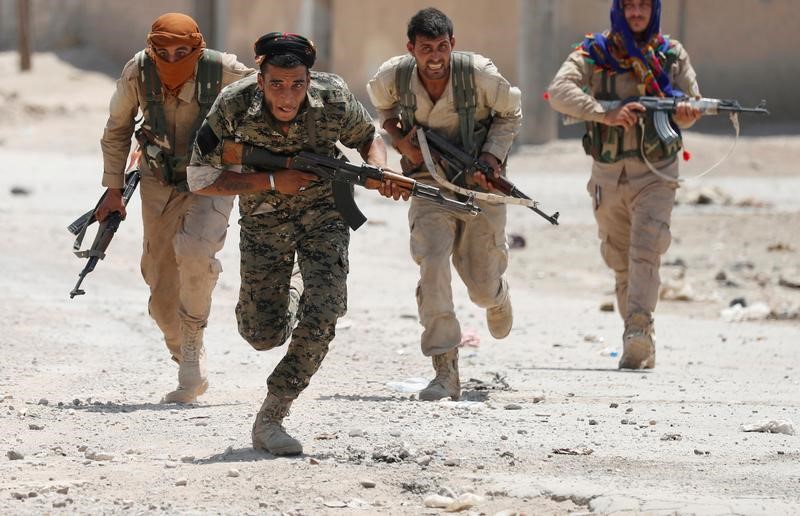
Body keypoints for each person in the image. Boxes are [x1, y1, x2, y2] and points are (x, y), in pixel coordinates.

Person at [186, 32, 389, 455]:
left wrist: (378, 169)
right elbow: (200, 177)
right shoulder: (234, 104)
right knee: (261, 335)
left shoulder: (332, 97)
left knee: (326, 309)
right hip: (263, 217)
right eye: (276, 84)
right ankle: (292, 290)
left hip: (325, 214)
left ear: (309, 78)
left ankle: (273, 415)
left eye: (297, 83)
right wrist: (274, 180)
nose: (287, 95)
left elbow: (369, 136)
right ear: (260, 80)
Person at [96, 13, 254, 403]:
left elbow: (273, 95)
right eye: (162, 50)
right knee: (160, 290)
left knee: (197, 252)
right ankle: (187, 352)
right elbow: (116, 129)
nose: (171, 59)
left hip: (212, 179)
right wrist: (113, 189)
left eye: (182, 51)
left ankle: (191, 356)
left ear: (197, 48)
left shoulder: (221, 69)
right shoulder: (139, 71)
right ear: (151, 48)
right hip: (158, 181)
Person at [367, 7, 522, 401]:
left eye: (441, 48)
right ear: (411, 49)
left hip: (477, 186)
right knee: (432, 263)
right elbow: (382, 110)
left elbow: (510, 113)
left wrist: (490, 159)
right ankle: (445, 369)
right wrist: (399, 139)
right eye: (425, 49)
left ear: (452, 44)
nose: (434, 58)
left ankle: (498, 297)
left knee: (482, 288)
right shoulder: (393, 77)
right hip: (427, 184)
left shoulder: (480, 75)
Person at [548, 0, 702, 369]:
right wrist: (606, 113)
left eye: (643, 6)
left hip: (657, 172)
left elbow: (693, 103)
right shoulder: (595, 52)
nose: (636, 13)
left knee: (646, 247)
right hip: (608, 173)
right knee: (620, 260)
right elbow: (558, 92)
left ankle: (638, 330)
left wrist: (686, 111)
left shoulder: (670, 54)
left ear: (654, 10)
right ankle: (638, 337)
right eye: (629, 5)